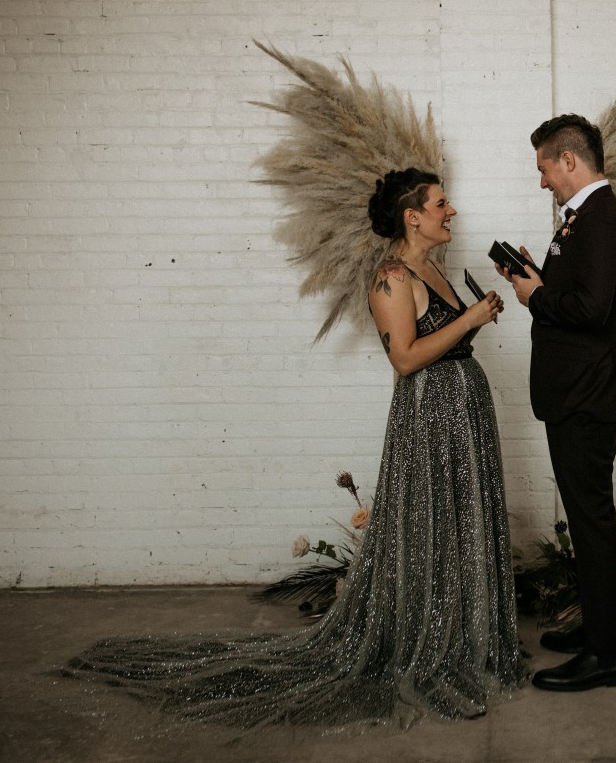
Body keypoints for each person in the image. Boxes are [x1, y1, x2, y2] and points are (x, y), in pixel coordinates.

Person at [64, 168, 527, 731]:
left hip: (464, 409)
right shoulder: (390, 278)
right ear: (413, 216)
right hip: (429, 415)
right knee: (430, 523)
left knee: (459, 521)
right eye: (441, 203)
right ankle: (430, 652)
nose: (450, 211)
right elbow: (405, 359)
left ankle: (468, 638)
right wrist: (471, 318)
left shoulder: (434, 268)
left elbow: (444, 342)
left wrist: (475, 317)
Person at [498, 114, 616, 691]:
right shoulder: (586, 218)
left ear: (569, 160)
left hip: (587, 396)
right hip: (577, 392)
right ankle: (597, 631)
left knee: (592, 523)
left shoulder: (600, 218)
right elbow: (579, 294)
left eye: (544, 168)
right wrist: (537, 278)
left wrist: (535, 297)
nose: (542, 181)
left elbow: (591, 311)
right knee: (586, 523)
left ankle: (607, 658)